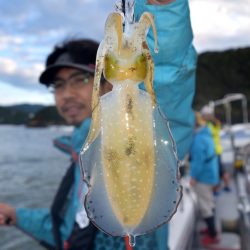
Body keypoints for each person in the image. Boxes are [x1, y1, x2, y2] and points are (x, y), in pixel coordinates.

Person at [0, 0, 197, 249]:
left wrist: (165, 9)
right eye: (58, 85)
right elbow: (72, 230)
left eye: (80, 79)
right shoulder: (80, 152)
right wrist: (17, 216)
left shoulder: (146, 119)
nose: (67, 93)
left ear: (106, 80)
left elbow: (170, 72)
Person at [189, 112, 220, 246]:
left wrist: (193, 177)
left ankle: (213, 235)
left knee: (205, 206)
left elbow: (198, 161)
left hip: (203, 177)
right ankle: (211, 229)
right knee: (210, 203)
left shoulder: (198, 140)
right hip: (211, 174)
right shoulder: (206, 134)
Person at [201, 105, 231, 193]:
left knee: (215, 171)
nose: (202, 117)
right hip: (217, 150)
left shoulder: (208, 125)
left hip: (212, 151)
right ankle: (226, 186)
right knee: (221, 170)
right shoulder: (216, 123)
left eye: (203, 115)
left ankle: (216, 189)